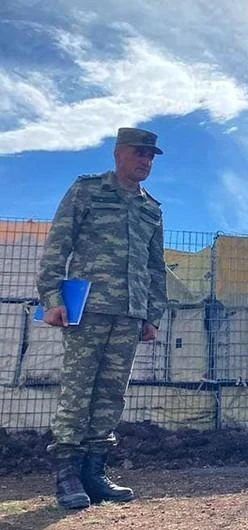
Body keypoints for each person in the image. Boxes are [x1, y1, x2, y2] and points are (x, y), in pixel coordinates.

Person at [37, 127, 167, 509]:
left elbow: (155, 266)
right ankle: (67, 475)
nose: (145, 161)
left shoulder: (151, 208)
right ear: (118, 153)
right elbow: (58, 245)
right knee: (77, 389)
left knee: (111, 394)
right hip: (87, 309)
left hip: (129, 313)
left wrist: (152, 315)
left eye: (151, 156)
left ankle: (95, 473)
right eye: (139, 153)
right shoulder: (88, 190)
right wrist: (51, 298)